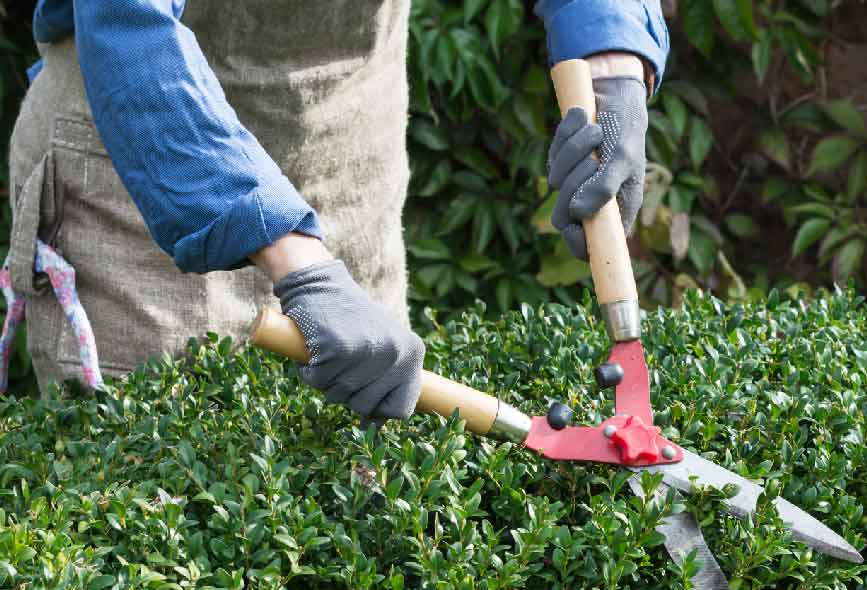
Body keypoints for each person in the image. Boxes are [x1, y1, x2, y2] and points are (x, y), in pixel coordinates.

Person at [7, 1, 666, 420]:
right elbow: (125, 19)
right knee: (155, 525)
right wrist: (303, 265)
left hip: (346, 148)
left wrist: (613, 57)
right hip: (141, 155)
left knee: (360, 506)